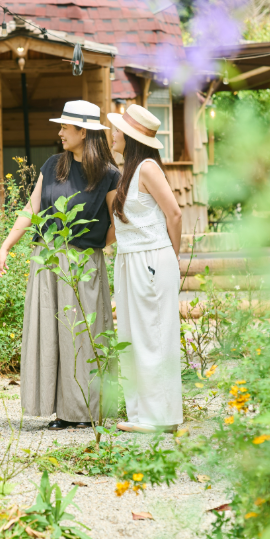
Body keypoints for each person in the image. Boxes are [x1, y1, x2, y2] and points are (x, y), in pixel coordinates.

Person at [0, 100, 120, 430]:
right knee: (49, 334)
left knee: (82, 336)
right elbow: (30, 211)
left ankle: (86, 410)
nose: (59, 132)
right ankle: (57, 410)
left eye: (65, 127)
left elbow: (118, 222)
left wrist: (94, 247)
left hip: (83, 264)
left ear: (83, 132)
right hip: (47, 261)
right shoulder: (53, 165)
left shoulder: (109, 175)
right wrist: (5, 247)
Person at [106, 104, 183, 433]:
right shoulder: (128, 171)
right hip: (128, 259)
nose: (112, 133)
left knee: (153, 335)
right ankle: (142, 414)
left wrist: (173, 261)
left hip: (152, 258)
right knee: (133, 336)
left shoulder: (148, 168)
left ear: (129, 136)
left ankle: (159, 417)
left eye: (116, 129)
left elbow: (175, 214)